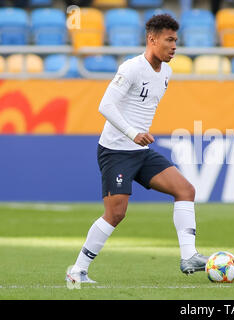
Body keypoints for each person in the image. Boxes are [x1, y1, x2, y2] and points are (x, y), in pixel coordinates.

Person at [66, 14, 208, 284]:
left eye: (176, 40)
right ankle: (77, 271)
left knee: (185, 190)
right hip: (116, 151)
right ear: (152, 39)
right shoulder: (131, 68)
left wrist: (138, 138)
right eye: (169, 40)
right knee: (116, 214)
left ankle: (189, 256)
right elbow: (105, 105)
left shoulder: (167, 72)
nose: (174, 46)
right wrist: (133, 133)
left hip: (140, 151)